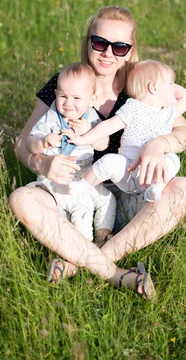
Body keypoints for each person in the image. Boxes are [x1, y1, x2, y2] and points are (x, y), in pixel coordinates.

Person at [9, 5, 186, 300]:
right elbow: (22, 143)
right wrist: (42, 163)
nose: (108, 53)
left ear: (131, 50)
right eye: (100, 43)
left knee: (184, 189)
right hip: (71, 192)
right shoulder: (66, 83)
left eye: (119, 47)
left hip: (128, 194)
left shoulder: (142, 85)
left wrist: (158, 145)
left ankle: (82, 258)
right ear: (87, 42)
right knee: (22, 199)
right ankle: (114, 274)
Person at [67, 60, 186, 243]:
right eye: (171, 84)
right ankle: (83, 188)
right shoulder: (133, 107)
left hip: (150, 174)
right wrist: (85, 138)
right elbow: (108, 126)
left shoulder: (169, 112)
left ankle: (156, 187)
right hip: (128, 170)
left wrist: (166, 81)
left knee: (173, 159)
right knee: (109, 161)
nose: (175, 89)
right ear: (153, 87)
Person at [25, 62, 115, 244]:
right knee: (81, 208)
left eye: (76, 98)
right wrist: (43, 142)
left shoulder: (91, 117)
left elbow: (103, 144)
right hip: (58, 181)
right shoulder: (52, 117)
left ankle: (103, 237)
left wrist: (89, 132)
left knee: (108, 199)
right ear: (56, 94)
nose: (68, 104)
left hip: (85, 179)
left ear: (91, 100)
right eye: (63, 96)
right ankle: (83, 247)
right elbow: (29, 142)